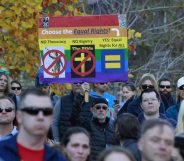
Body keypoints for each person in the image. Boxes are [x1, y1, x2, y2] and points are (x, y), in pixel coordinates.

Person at [0, 87, 67, 161]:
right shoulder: (2, 153)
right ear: (19, 116)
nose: (41, 117)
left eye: (46, 112)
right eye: (33, 111)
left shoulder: (58, 159)